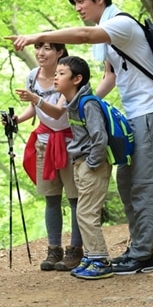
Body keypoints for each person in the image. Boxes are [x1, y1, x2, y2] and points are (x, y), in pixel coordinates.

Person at [5, 0, 153, 275]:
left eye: (81, 1)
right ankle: (138, 248)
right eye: (75, 3)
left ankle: (143, 254)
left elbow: (82, 36)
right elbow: (111, 75)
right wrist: (84, 105)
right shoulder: (107, 36)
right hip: (134, 111)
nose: (78, 7)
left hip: (151, 109)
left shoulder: (120, 23)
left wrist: (34, 37)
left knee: (144, 181)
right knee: (126, 180)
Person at [7, 42, 83, 272]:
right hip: (44, 143)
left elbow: (59, 111)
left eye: (48, 48)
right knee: (51, 198)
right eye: (38, 47)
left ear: (60, 52)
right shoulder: (33, 76)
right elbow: (35, 109)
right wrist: (17, 120)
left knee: (74, 198)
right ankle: (54, 249)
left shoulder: (66, 75)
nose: (41, 52)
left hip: (69, 143)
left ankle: (75, 250)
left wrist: (36, 99)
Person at [52, 55, 113, 279]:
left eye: (61, 74)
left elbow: (99, 137)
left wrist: (91, 164)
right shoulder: (74, 104)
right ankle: (91, 256)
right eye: (56, 73)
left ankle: (100, 260)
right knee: (82, 213)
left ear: (77, 79)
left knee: (87, 213)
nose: (55, 77)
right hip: (80, 163)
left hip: (91, 165)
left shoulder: (87, 104)